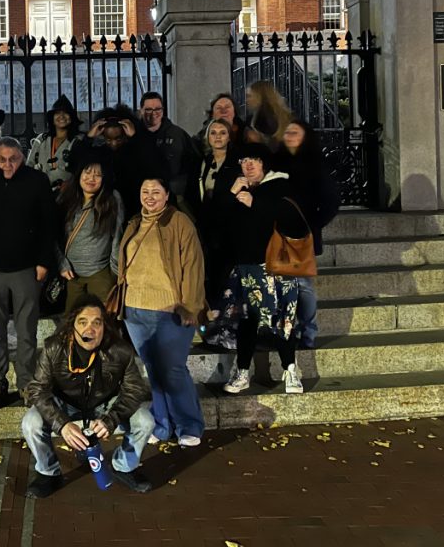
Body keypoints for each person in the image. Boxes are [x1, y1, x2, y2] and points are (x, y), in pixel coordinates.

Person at [23, 295, 155, 498]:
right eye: (82, 322)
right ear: (72, 326)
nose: (90, 329)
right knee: (31, 422)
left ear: (105, 326)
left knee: (145, 421)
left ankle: (124, 467)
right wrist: (62, 424)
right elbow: (37, 389)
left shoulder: (120, 350)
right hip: (66, 406)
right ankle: (48, 473)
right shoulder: (54, 348)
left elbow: (134, 389)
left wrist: (111, 419)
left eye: (97, 322)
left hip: (104, 405)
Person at [0, 137, 58, 408]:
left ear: (23, 157)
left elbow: (48, 224)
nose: (8, 164)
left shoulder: (37, 181)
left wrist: (44, 261)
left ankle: (26, 383)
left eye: (14, 159)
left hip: (26, 267)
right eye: (2, 159)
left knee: (26, 330)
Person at [117, 176, 206, 447]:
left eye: (156, 191)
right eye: (145, 191)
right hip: (135, 308)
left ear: (167, 195)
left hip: (170, 308)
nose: (150, 196)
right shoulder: (134, 223)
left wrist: (190, 305)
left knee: (173, 369)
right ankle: (162, 423)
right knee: (154, 370)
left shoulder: (179, 222)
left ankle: (190, 424)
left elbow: (193, 265)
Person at [212, 143, 306, 395]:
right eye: (243, 160)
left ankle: (290, 370)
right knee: (247, 320)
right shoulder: (237, 188)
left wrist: (256, 204)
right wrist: (229, 196)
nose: (248, 165)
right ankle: (242, 372)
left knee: (284, 320)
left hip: (277, 266)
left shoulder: (280, 186)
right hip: (247, 268)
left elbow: (293, 220)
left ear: (264, 163)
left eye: (254, 159)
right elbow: (218, 224)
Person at [273, 118, 340, 348]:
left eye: (295, 132)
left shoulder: (314, 164)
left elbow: (331, 202)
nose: (290, 136)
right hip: (278, 234)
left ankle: (308, 331)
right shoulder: (276, 161)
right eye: (287, 132)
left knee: (303, 285)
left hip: (303, 235)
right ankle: (284, 328)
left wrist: (313, 225)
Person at [56, 147, 125, 312]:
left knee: (101, 320)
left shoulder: (112, 198)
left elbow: (117, 237)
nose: (91, 178)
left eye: (98, 175)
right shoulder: (65, 197)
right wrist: (61, 264)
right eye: (87, 172)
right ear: (79, 174)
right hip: (71, 274)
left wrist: (115, 275)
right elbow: (53, 235)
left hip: (100, 273)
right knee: (72, 319)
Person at [70, 105, 163, 220]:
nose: (113, 144)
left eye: (118, 139)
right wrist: (89, 137)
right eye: (108, 139)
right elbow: (75, 163)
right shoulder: (101, 153)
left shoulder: (136, 150)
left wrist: (135, 137)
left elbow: (154, 165)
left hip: (134, 208)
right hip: (106, 210)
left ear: (126, 134)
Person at [193, 119, 244, 330]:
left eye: (222, 132)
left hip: (230, 229)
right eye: (213, 133)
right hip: (209, 228)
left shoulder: (237, 162)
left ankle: (227, 325)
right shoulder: (205, 161)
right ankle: (212, 324)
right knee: (212, 276)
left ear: (229, 136)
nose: (217, 136)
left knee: (227, 279)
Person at [138, 92, 199, 218]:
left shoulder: (178, 134)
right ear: (141, 111)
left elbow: (194, 162)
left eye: (158, 109)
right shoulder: (134, 136)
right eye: (148, 109)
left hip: (174, 198)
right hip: (141, 199)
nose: (153, 113)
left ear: (163, 110)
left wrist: (181, 187)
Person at [27, 95, 82, 192]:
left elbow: (81, 169)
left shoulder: (78, 141)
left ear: (72, 117)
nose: (61, 116)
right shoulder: (41, 139)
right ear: (52, 118)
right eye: (57, 113)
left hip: (69, 193)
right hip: (40, 191)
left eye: (66, 113)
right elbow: (29, 165)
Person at [245, 81, 291, 151]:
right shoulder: (284, 115)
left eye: (249, 96)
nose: (246, 100)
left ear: (260, 96)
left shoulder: (261, 119)